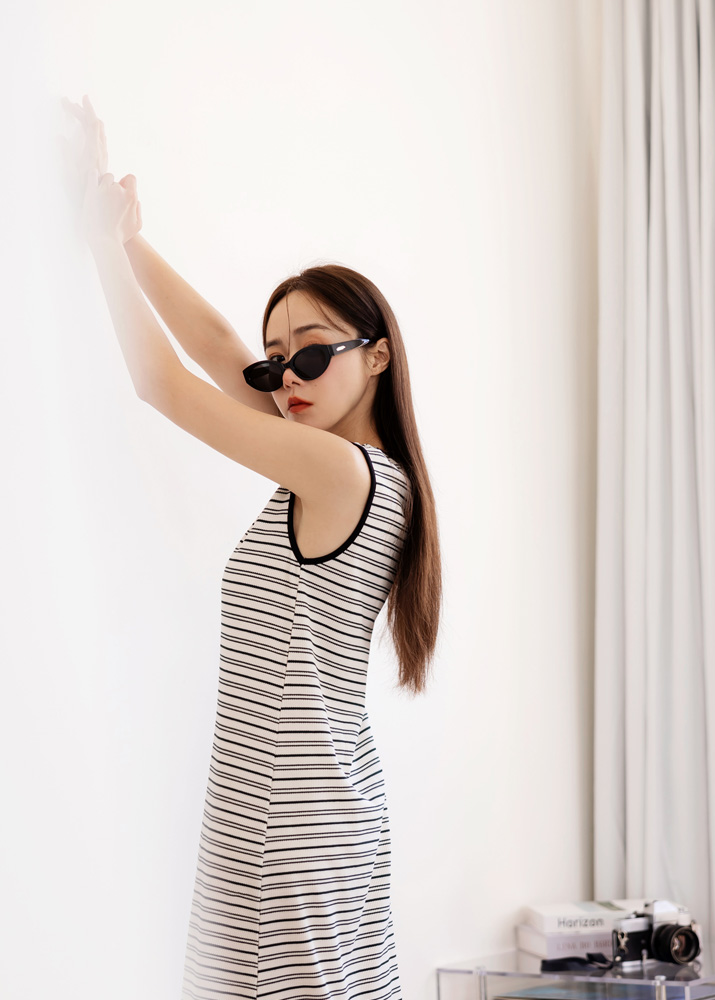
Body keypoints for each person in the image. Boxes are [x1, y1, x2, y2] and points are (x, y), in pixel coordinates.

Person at [60, 94, 442, 999]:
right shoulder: (346, 468)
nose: (287, 376)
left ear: (376, 356)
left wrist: (96, 245)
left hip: (293, 823)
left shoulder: (342, 472)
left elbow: (163, 381)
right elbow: (219, 347)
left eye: (312, 353)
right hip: (289, 813)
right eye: (279, 361)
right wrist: (128, 236)